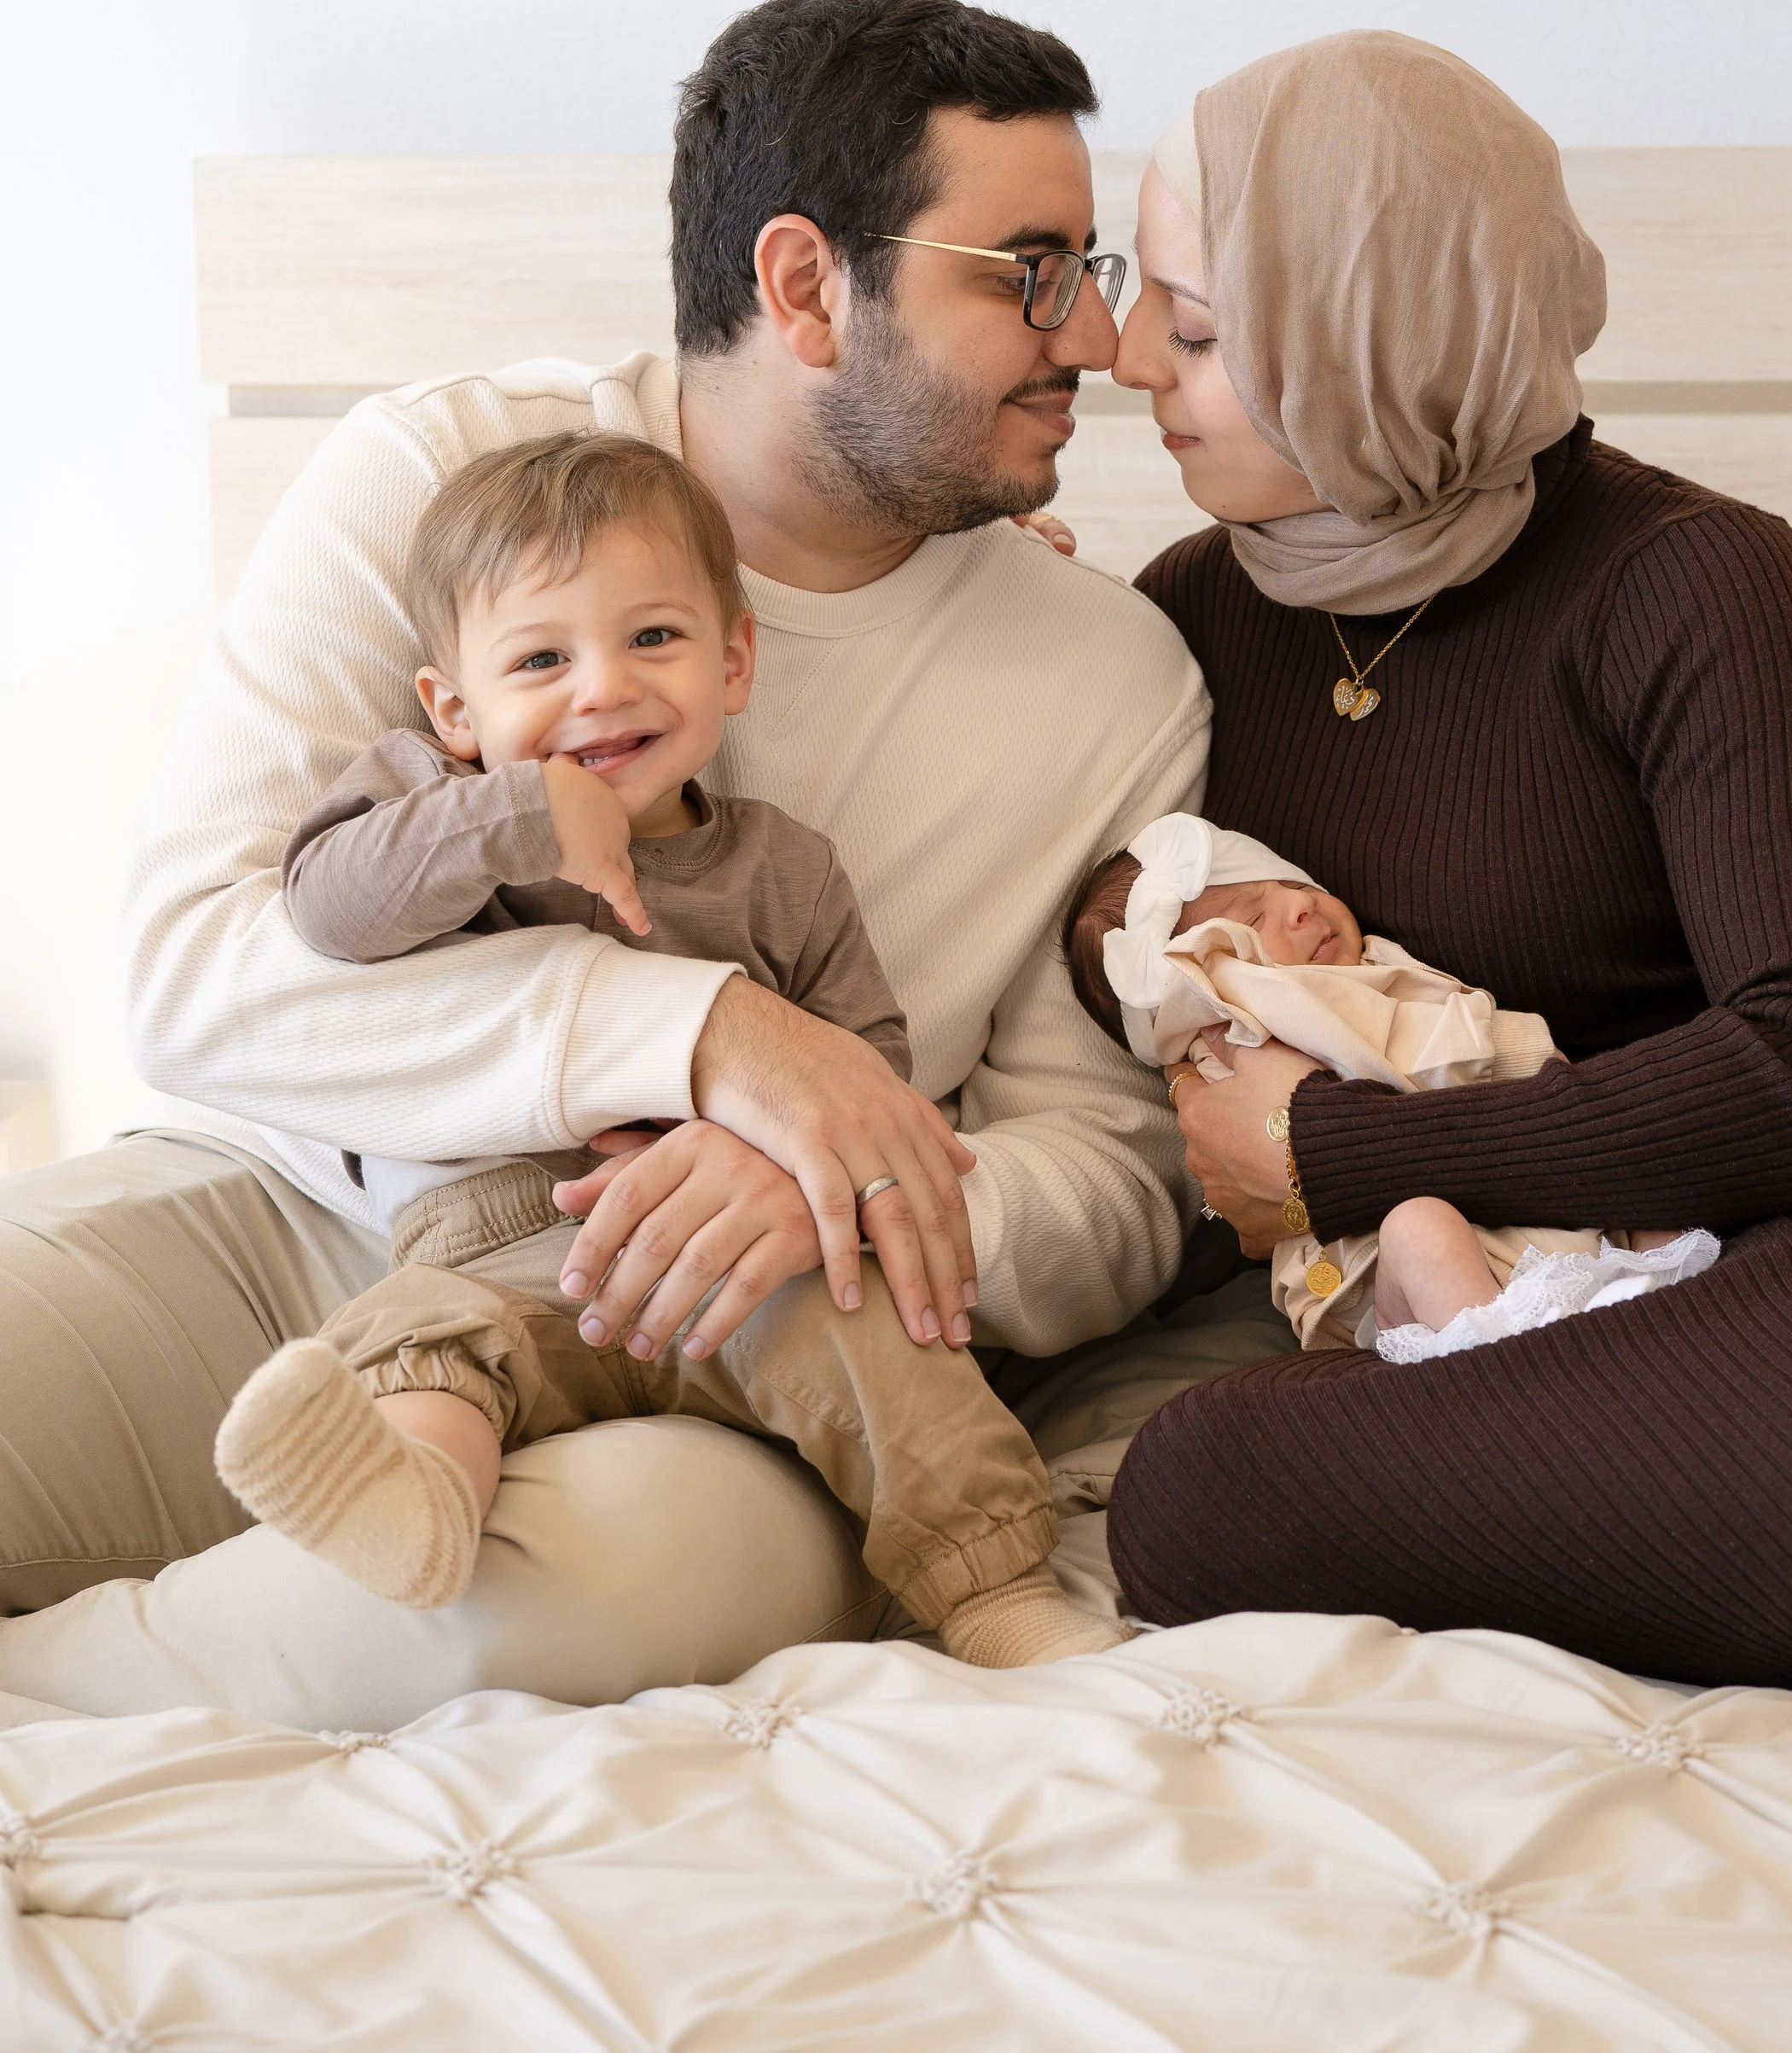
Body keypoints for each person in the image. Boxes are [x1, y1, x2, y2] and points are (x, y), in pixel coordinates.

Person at [0, 0, 1206, 1724]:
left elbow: (1111, 1194)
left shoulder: (1111, 677)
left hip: (714, 1340)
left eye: (1083, 273)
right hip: (284, 1217)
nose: (1092, 340)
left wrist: (835, 1186)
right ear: (805, 287)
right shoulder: (439, 475)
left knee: (587, 1599)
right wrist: (701, 1033)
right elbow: (200, 972)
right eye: (1024, 273)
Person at [1102, 30, 1792, 1706]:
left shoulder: (1692, 582)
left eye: (1198, 328)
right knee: (1187, 1495)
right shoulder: (1184, 626)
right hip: (1487, 1289)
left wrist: (1333, 1148)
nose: (1125, 353)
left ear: (1377, 346)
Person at [217, 430, 1120, 1666]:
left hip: (738, 1259)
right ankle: (416, 1501)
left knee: (891, 1349)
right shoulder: (432, 806)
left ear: (734, 658)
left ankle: (993, 1588)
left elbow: (863, 1065)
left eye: (654, 638)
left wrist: (804, 1171)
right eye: (541, 658)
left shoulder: (782, 869)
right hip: (499, 1249)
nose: (604, 688)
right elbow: (326, 907)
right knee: (416, 1345)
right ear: (455, 707)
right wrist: (513, 811)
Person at [1064, 810, 1708, 1352]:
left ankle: (1667, 1304)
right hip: (1383, 1276)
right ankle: (1524, 1378)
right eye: (1249, 925)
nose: (1296, 909)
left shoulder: (1366, 963)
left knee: (1653, 1174)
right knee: (1419, 1230)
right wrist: (1515, 1048)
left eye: (1287, 883)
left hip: (1526, 1204)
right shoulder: (1252, 1024)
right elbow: (1406, 1055)